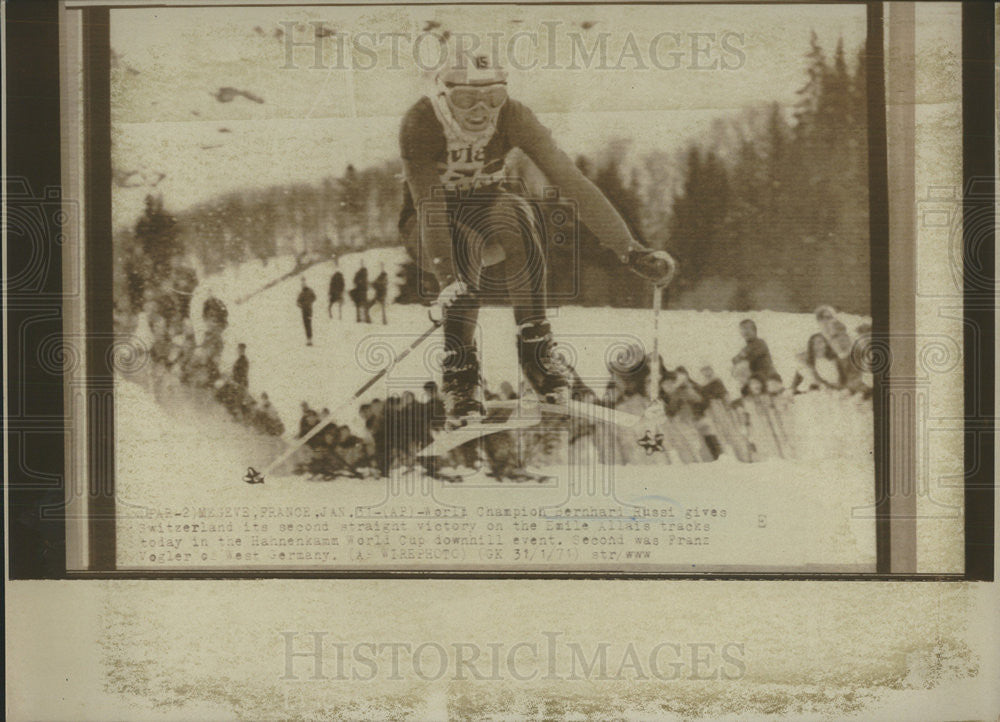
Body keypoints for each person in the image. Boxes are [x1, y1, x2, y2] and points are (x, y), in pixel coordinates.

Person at [398, 49, 675, 427]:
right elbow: (430, 207)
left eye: (492, 97)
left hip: (486, 210)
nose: (480, 111)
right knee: (466, 244)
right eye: (466, 99)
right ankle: (460, 373)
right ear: (444, 95)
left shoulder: (514, 116)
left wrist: (630, 250)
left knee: (519, 213)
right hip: (429, 224)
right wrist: (448, 279)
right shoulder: (421, 121)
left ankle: (537, 353)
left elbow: (571, 181)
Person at [732, 319, 782, 395]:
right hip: (756, 382)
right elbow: (734, 360)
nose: (744, 331)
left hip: (768, 380)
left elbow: (751, 357)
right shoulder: (746, 348)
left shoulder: (760, 343)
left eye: (747, 328)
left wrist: (742, 357)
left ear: (754, 330)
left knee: (742, 366)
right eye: (742, 329)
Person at [296, 276, 317, 345]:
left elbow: (314, 298)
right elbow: (297, 302)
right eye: (302, 285)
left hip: (307, 311)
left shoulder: (304, 292)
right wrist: (303, 305)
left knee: (308, 325)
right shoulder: (303, 292)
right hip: (306, 310)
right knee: (307, 325)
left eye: (303, 285)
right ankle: (309, 340)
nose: (303, 286)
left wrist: (304, 304)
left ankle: (309, 340)